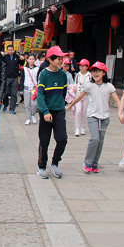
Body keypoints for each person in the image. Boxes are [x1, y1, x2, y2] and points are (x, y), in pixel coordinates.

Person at [66, 62, 121, 174]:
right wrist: (70, 106)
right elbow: (79, 97)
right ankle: (87, 162)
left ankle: (95, 163)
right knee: (95, 138)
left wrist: (121, 113)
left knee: (100, 141)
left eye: (98, 71)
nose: (95, 74)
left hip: (105, 117)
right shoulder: (90, 86)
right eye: (94, 71)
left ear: (104, 73)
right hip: (92, 116)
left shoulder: (109, 86)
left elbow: (118, 101)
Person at [36, 46, 69, 179]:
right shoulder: (43, 74)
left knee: (62, 139)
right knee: (44, 140)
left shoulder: (63, 75)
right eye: (59, 58)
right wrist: (44, 111)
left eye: (62, 58)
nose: (61, 60)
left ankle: (55, 163)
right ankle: (42, 166)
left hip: (59, 111)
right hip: (46, 112)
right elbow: (40, 95)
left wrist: (61, 105)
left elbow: (63, 93)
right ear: (50, 59)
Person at [20, 53, 40, 125]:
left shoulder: (37, 69)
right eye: (30, 59)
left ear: (35, 60)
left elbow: (38, 79)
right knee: (27, 104)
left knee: (34, 104)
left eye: (33, 59)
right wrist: (21, 89)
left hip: (34, 89)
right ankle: (28, 118)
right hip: (26, 88)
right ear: (27, 60)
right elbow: (22, 79)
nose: (31, 60)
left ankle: (33, 114)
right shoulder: (24, 69)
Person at [73, 59, 91, 137]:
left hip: (86, 96)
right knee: (78, 111)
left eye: (83, 66)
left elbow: (91, 84)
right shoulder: (77, 74)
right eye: (80, 66)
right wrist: (74, 87)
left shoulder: (90, 75)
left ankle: (82, 128)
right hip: (78, 95)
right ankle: (77, 128)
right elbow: (75, 83)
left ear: (87, 67)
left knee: (84, 112)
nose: (81, 68)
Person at [2, 45, 21, 114]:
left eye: (11, 50)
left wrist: (23, 58)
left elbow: (21, 63)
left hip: (15, 77)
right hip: (6, 77)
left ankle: (12, 108)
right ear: (7, 50)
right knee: (6, 93)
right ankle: (5, 104)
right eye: (9, 50)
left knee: (14, 94)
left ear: (14, 50)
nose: (10, 51)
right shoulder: (4, 57)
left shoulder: (16, 57)